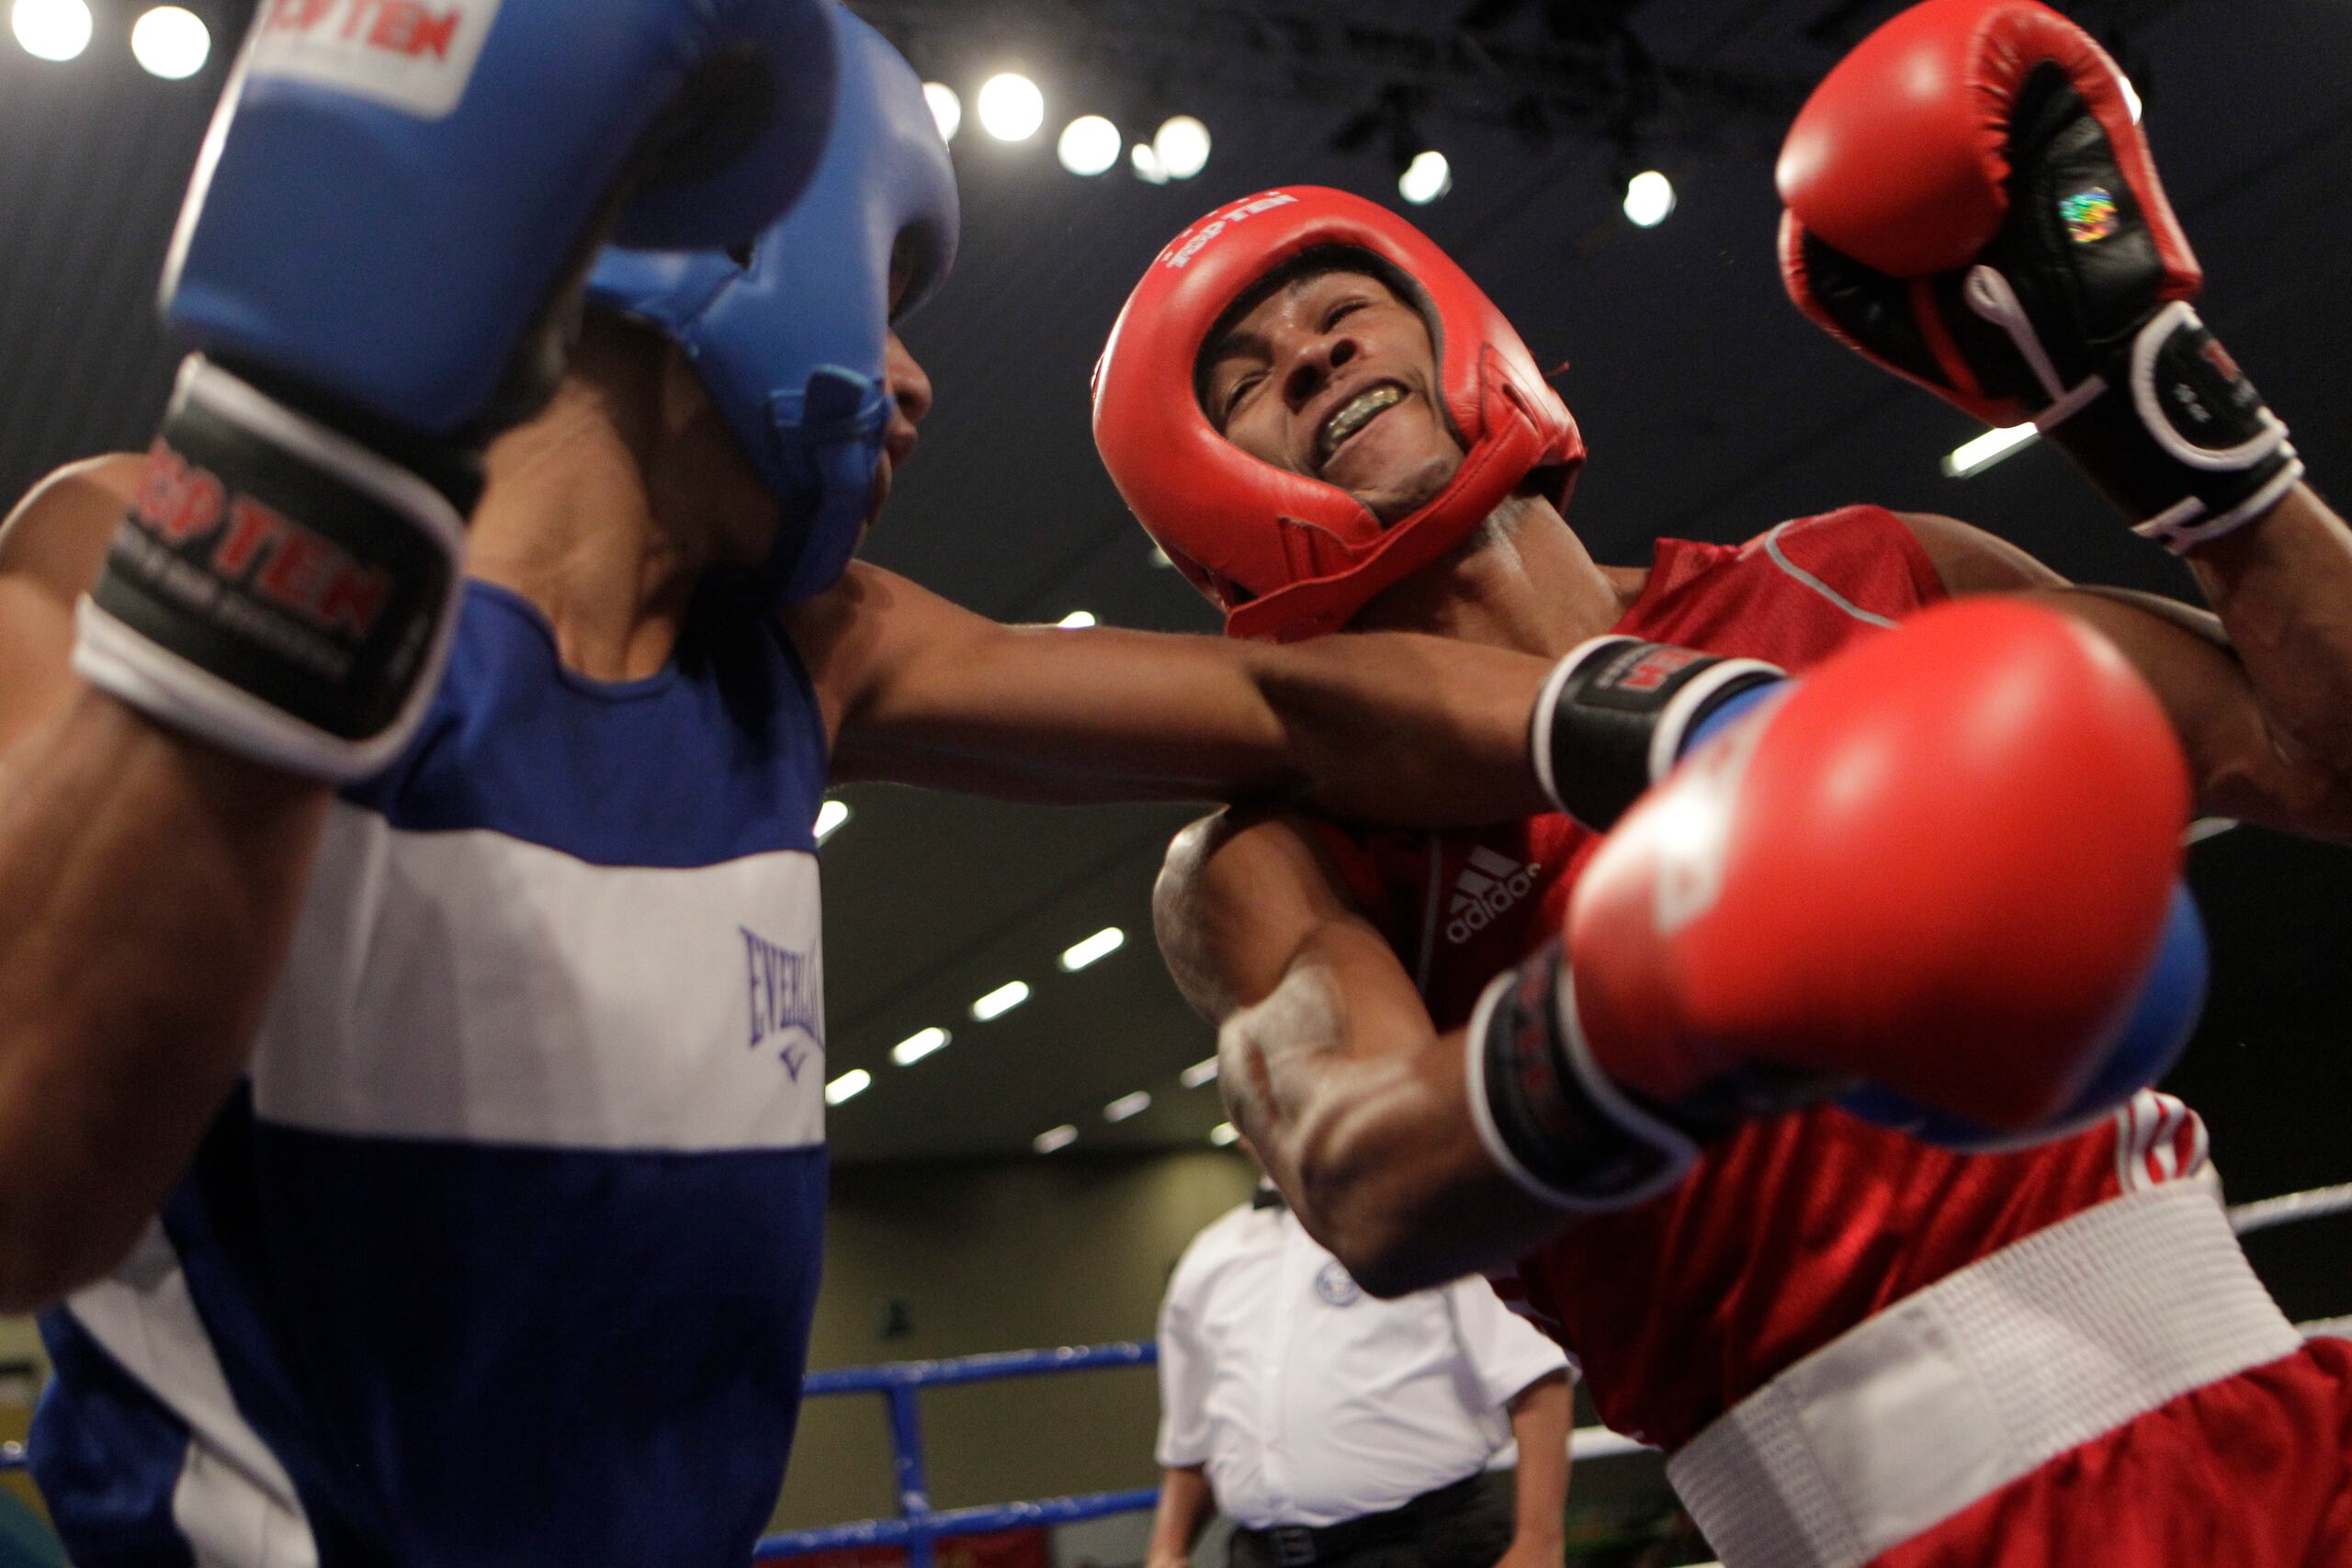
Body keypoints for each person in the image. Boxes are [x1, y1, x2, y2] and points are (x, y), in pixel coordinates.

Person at [0, 6, 1656, 1566]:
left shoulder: (809, 655)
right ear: (711, 252)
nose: (913, 386)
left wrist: (1686, 710)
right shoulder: (112, 546)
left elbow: (1295, 699)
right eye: (885, 300)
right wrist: (298, 469)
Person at [1098, 1, 2352, 1563]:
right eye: (1245, 375)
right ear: (1204, 497)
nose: (1313, 354)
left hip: (2274, 1416)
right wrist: (1684, 973)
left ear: (1454, 326)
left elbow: (2321, 759)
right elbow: (1363, 1176)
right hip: (1887, 1522)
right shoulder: (1283, 849)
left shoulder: (1858, 575)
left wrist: (2169, 422)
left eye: (1346, 307)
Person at [1148, 1182, 1571, 1568]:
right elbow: (1191, 1441)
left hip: (1418, 1545)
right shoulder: (1209, 1256)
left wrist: (1539, 1543)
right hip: (1257, 1554)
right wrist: (1167, 1550)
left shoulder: (1431, 1216)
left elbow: (1536, 1375)